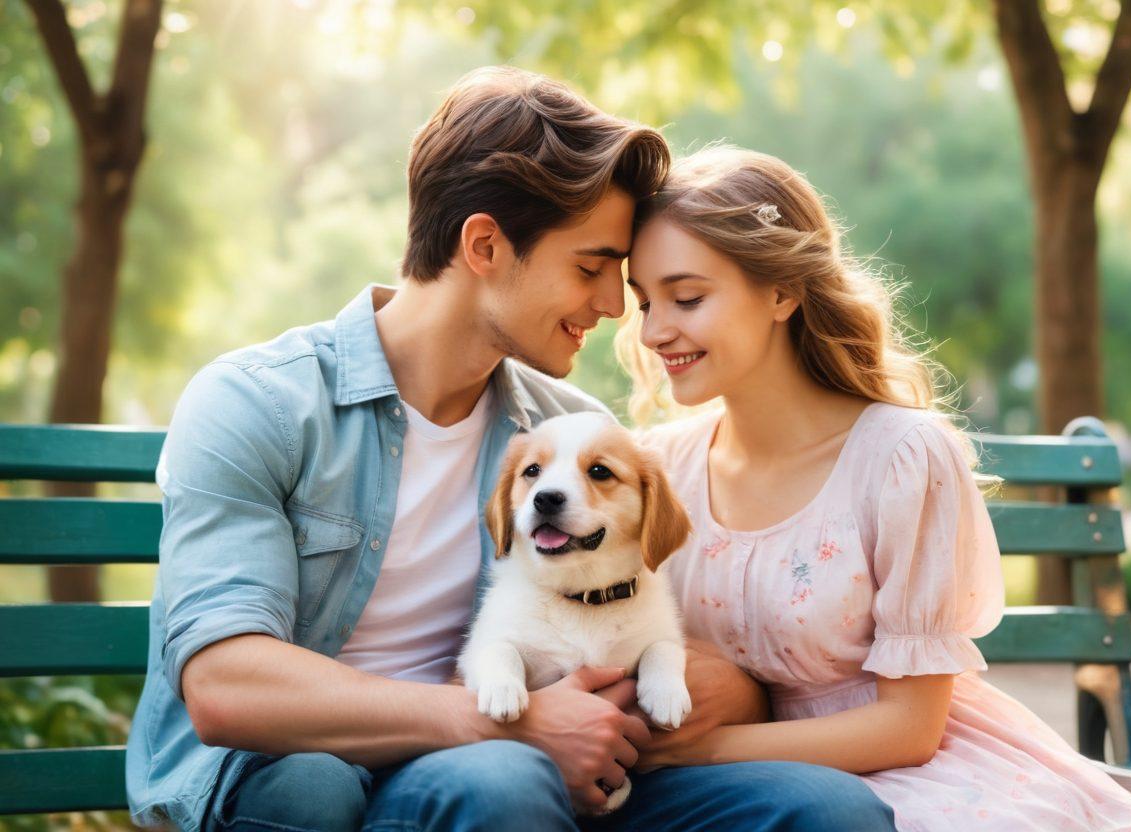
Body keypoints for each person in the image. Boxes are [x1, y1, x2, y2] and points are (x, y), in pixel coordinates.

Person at [126, 69, 896, 831]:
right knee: (485, 782)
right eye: (591, 267)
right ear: (486, 245)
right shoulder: (259, 404)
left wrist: (704, 689)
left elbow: (652, 633)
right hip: (341, 770)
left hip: (536, 765)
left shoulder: (570, 430)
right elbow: (226, 686)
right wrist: (509, 722)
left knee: (828, 812)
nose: (613, 305)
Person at [618, 144, 1131, 831]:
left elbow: (909, 730)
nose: (655, 331)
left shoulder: (900, 458)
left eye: (687, 298)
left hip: (905, 774)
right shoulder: (658, 467)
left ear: (781, 292)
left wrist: (705, 750)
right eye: (645, 302)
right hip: (740, 791)